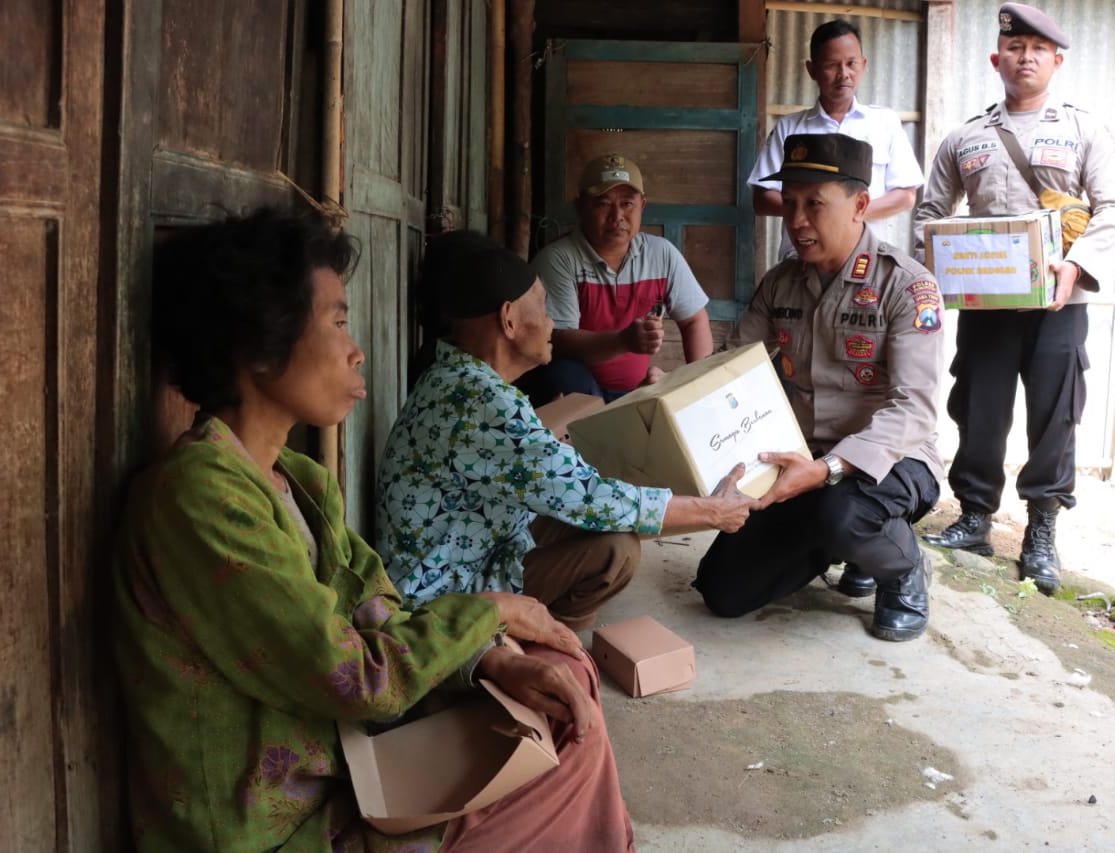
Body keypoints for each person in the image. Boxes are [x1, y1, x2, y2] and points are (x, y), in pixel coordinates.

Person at [114, 210, 636, 852]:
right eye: (336, 321)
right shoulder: (200, 497)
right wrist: (493, 611)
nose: (356, 348)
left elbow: (373, 604)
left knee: (558, 681)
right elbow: (354, 677)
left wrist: (489, 657)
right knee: (563, 757)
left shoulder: (298, 478)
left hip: (351, 764)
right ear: (257, 347)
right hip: (285, 829)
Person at [376, 230, 756, 630]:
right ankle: (537, 639)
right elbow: (590, 497)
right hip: (445, 591)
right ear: (508, 320)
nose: (551, 321)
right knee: (615, 548)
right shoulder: (481, 401)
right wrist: (709, 510)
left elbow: (569, 486)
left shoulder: (456, 374)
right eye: (542, 307)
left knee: (602, 507)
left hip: (475, 544)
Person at [693, 133, 944, 642]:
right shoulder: (781, 282)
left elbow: (914, 409)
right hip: (797, 461)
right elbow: (733, 368)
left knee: (841, 511)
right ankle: (844, 545)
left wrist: (826, 469)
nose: (797, 221)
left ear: (860, 205)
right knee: (723, 591)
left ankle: (902, 567)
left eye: (814, 205)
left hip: (890, 461)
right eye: (789, 205)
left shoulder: (907, 286)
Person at [914, 2, 1115, 594]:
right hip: (986, 305)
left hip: (1060, 302)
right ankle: (976, 517)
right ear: (997, 58)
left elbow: (1113, 206)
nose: (1025, 56)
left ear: (1056, 61)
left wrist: (1077, 264)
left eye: (1038, 49)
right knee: (979, 408)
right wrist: (943, 267)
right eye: (1015, 47)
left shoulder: (1085, 130)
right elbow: (930, 213)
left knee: (1054, 415)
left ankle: (1041, 530)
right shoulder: (965, 137)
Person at [519, 153, 713, 404]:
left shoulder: (661, 254)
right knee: (563, 373)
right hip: (573, 394)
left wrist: (697, 385)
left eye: (627, 204)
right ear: (580, 207)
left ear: (642, 206)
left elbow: (694, 320)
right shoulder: (559, 259)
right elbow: (559, 339)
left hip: (636, 390)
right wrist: (624, 341)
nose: (617, 216)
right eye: (603, 203)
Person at [748, 19, 924, 259]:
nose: (844, 74)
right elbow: (762, 199)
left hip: (868, 263)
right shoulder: (789, 128)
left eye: (851, 63)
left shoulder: (885, 123)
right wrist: (813, 214)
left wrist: (846, 215)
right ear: (812, 70)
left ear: (863, 65)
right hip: (802, 261)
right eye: (832, 65)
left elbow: (905, 196)